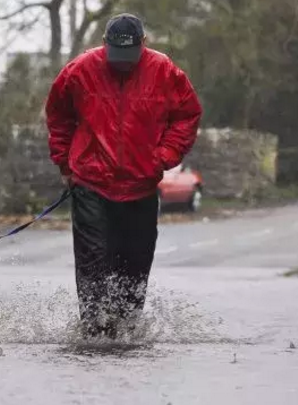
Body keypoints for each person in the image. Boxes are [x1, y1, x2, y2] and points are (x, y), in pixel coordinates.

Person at [44, 13, 202, 339]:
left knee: (135, 260)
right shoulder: (80, 70)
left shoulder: (165, 72)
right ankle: (93, 330)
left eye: (130, 57)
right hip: (91, 182)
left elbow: (187, 116)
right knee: (94, 259)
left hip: (140, 185)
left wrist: (163, 157)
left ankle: (127, 329)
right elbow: (58, 115)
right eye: (117, 56)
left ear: (144, 45)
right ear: (105, 45)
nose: (123, 64)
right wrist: (65, 164)